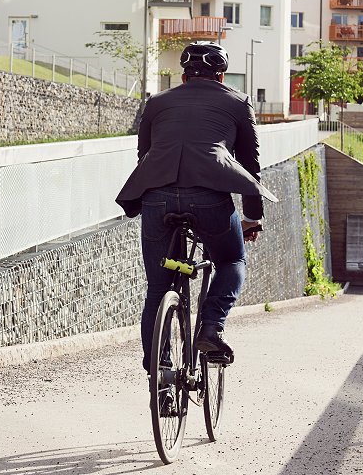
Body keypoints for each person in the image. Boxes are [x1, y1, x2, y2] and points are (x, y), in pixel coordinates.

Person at [116, 41, 276, 375]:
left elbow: (144, 156)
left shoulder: (157, 102)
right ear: (221, 75)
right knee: (231, 260)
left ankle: (159, 372)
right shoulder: (237, 102)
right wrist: (252, 217)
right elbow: (250, 166)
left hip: (156, 198)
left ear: (184, 75)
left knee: (158, 288)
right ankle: (211, 328)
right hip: (209, 198)